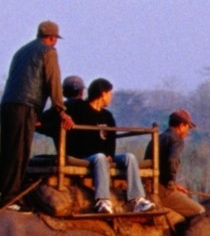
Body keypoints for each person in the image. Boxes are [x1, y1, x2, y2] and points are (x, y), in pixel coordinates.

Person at [0, 21, 69, 206]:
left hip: (7, 104)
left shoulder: (20, 51)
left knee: (7, 152)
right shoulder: (48, 52)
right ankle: (11, 197)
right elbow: (53, 81)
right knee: (19, 153)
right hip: (25, 106)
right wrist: (61, 110)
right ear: (52, 38)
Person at [56, 77, 154, 215]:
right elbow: (60, 114)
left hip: (103, 155)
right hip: (85, 155)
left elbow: (111, 139)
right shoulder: (79, 108)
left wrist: (110, 154)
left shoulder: (107, 116)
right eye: (110, 94)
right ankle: (102, 200)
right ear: (102, 93)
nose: (111, 97)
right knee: (100, 157)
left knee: (129, 157)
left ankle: (137, 199)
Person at [148, 109, 205, 218]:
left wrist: (175, 184)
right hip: (161, 191)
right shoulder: (177, 140)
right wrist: (171, 182)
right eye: (188, 127)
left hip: (149, 185)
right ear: (181, 125)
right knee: (200, 211)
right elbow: (172, 160)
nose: (188, 132)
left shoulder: (158, 137)